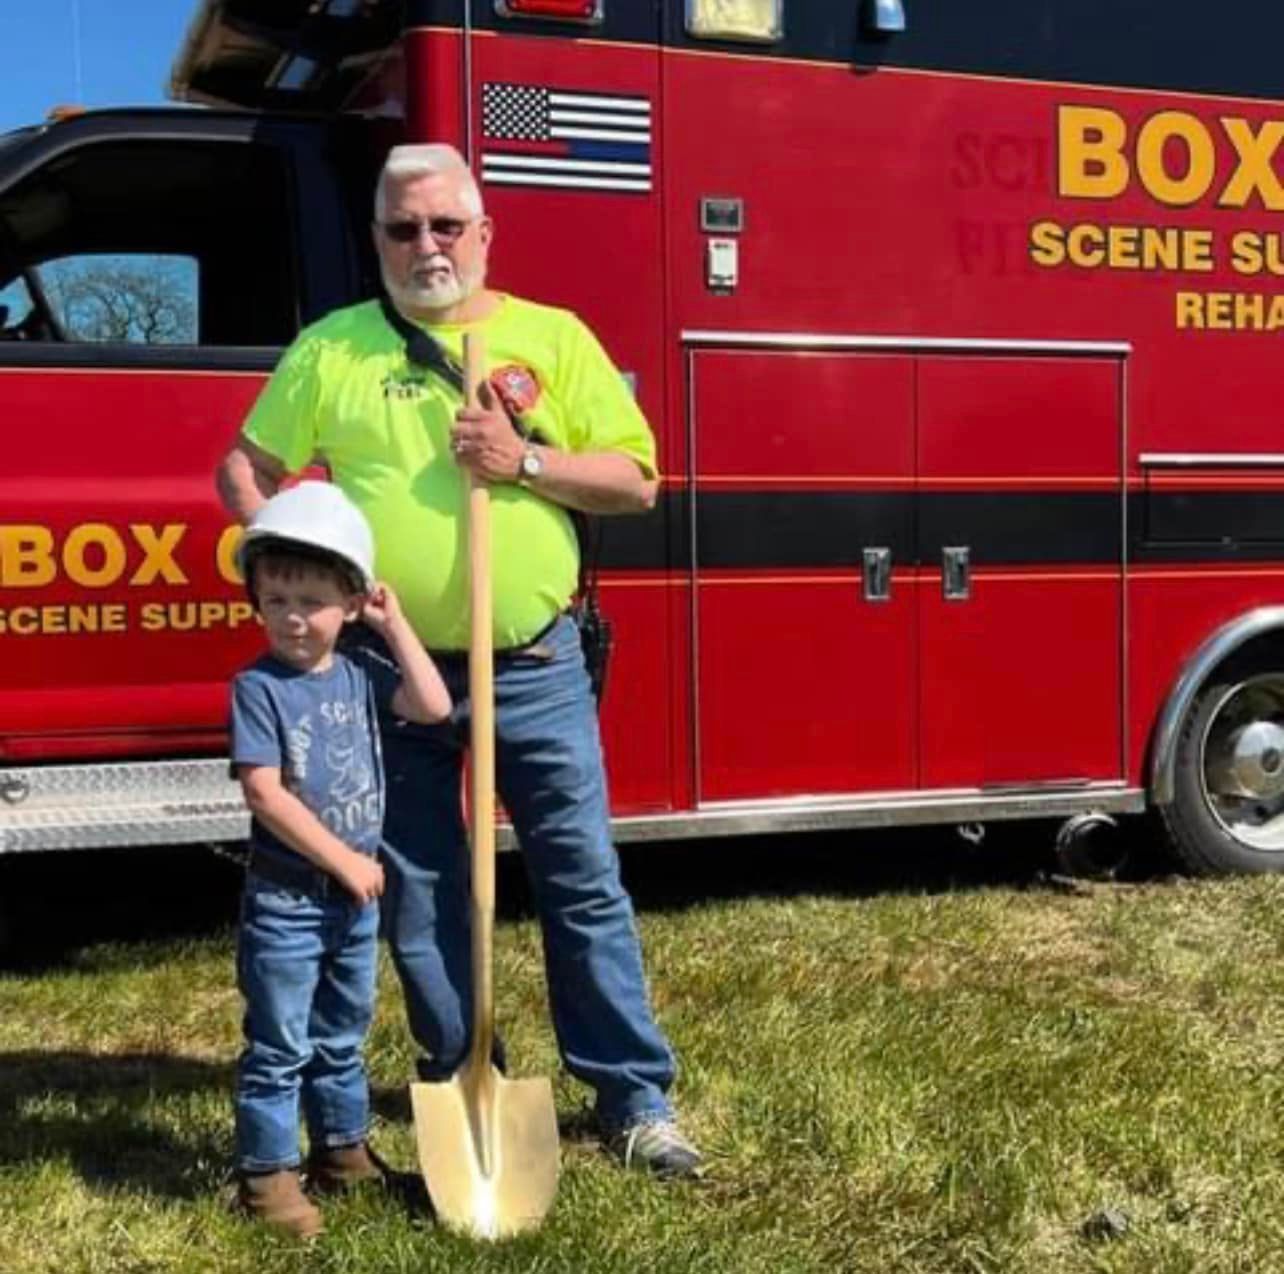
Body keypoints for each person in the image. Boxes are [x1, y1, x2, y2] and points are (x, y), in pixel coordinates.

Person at [216, 142, 702, 1179]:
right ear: (379, 238)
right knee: (424, 884)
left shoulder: (550, 337)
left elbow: (636, 479)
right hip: (390, 675)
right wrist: (298, 570)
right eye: (403, 228)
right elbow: (247, 465)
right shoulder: (334, 348)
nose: (426, 245)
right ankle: (457, 1064)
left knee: (579, 877)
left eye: (447, 225)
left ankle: (632, 1093)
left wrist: (519, 459)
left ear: (484, 233)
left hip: (534, 660)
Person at [229, 481, 452, 1238]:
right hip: (290, 900)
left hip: (351, 902)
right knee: (279, 1042)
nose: (293, 617)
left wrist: (397, 629)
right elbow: (265, 794)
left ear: (351, 603)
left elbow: (434, 706)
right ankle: (265, 1177)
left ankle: (342, 1151)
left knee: (342, 1033)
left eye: (313, 601)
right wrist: (345, 861)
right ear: (257, 601)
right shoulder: (257, 688)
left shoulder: (361, 674)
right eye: (278, 599)